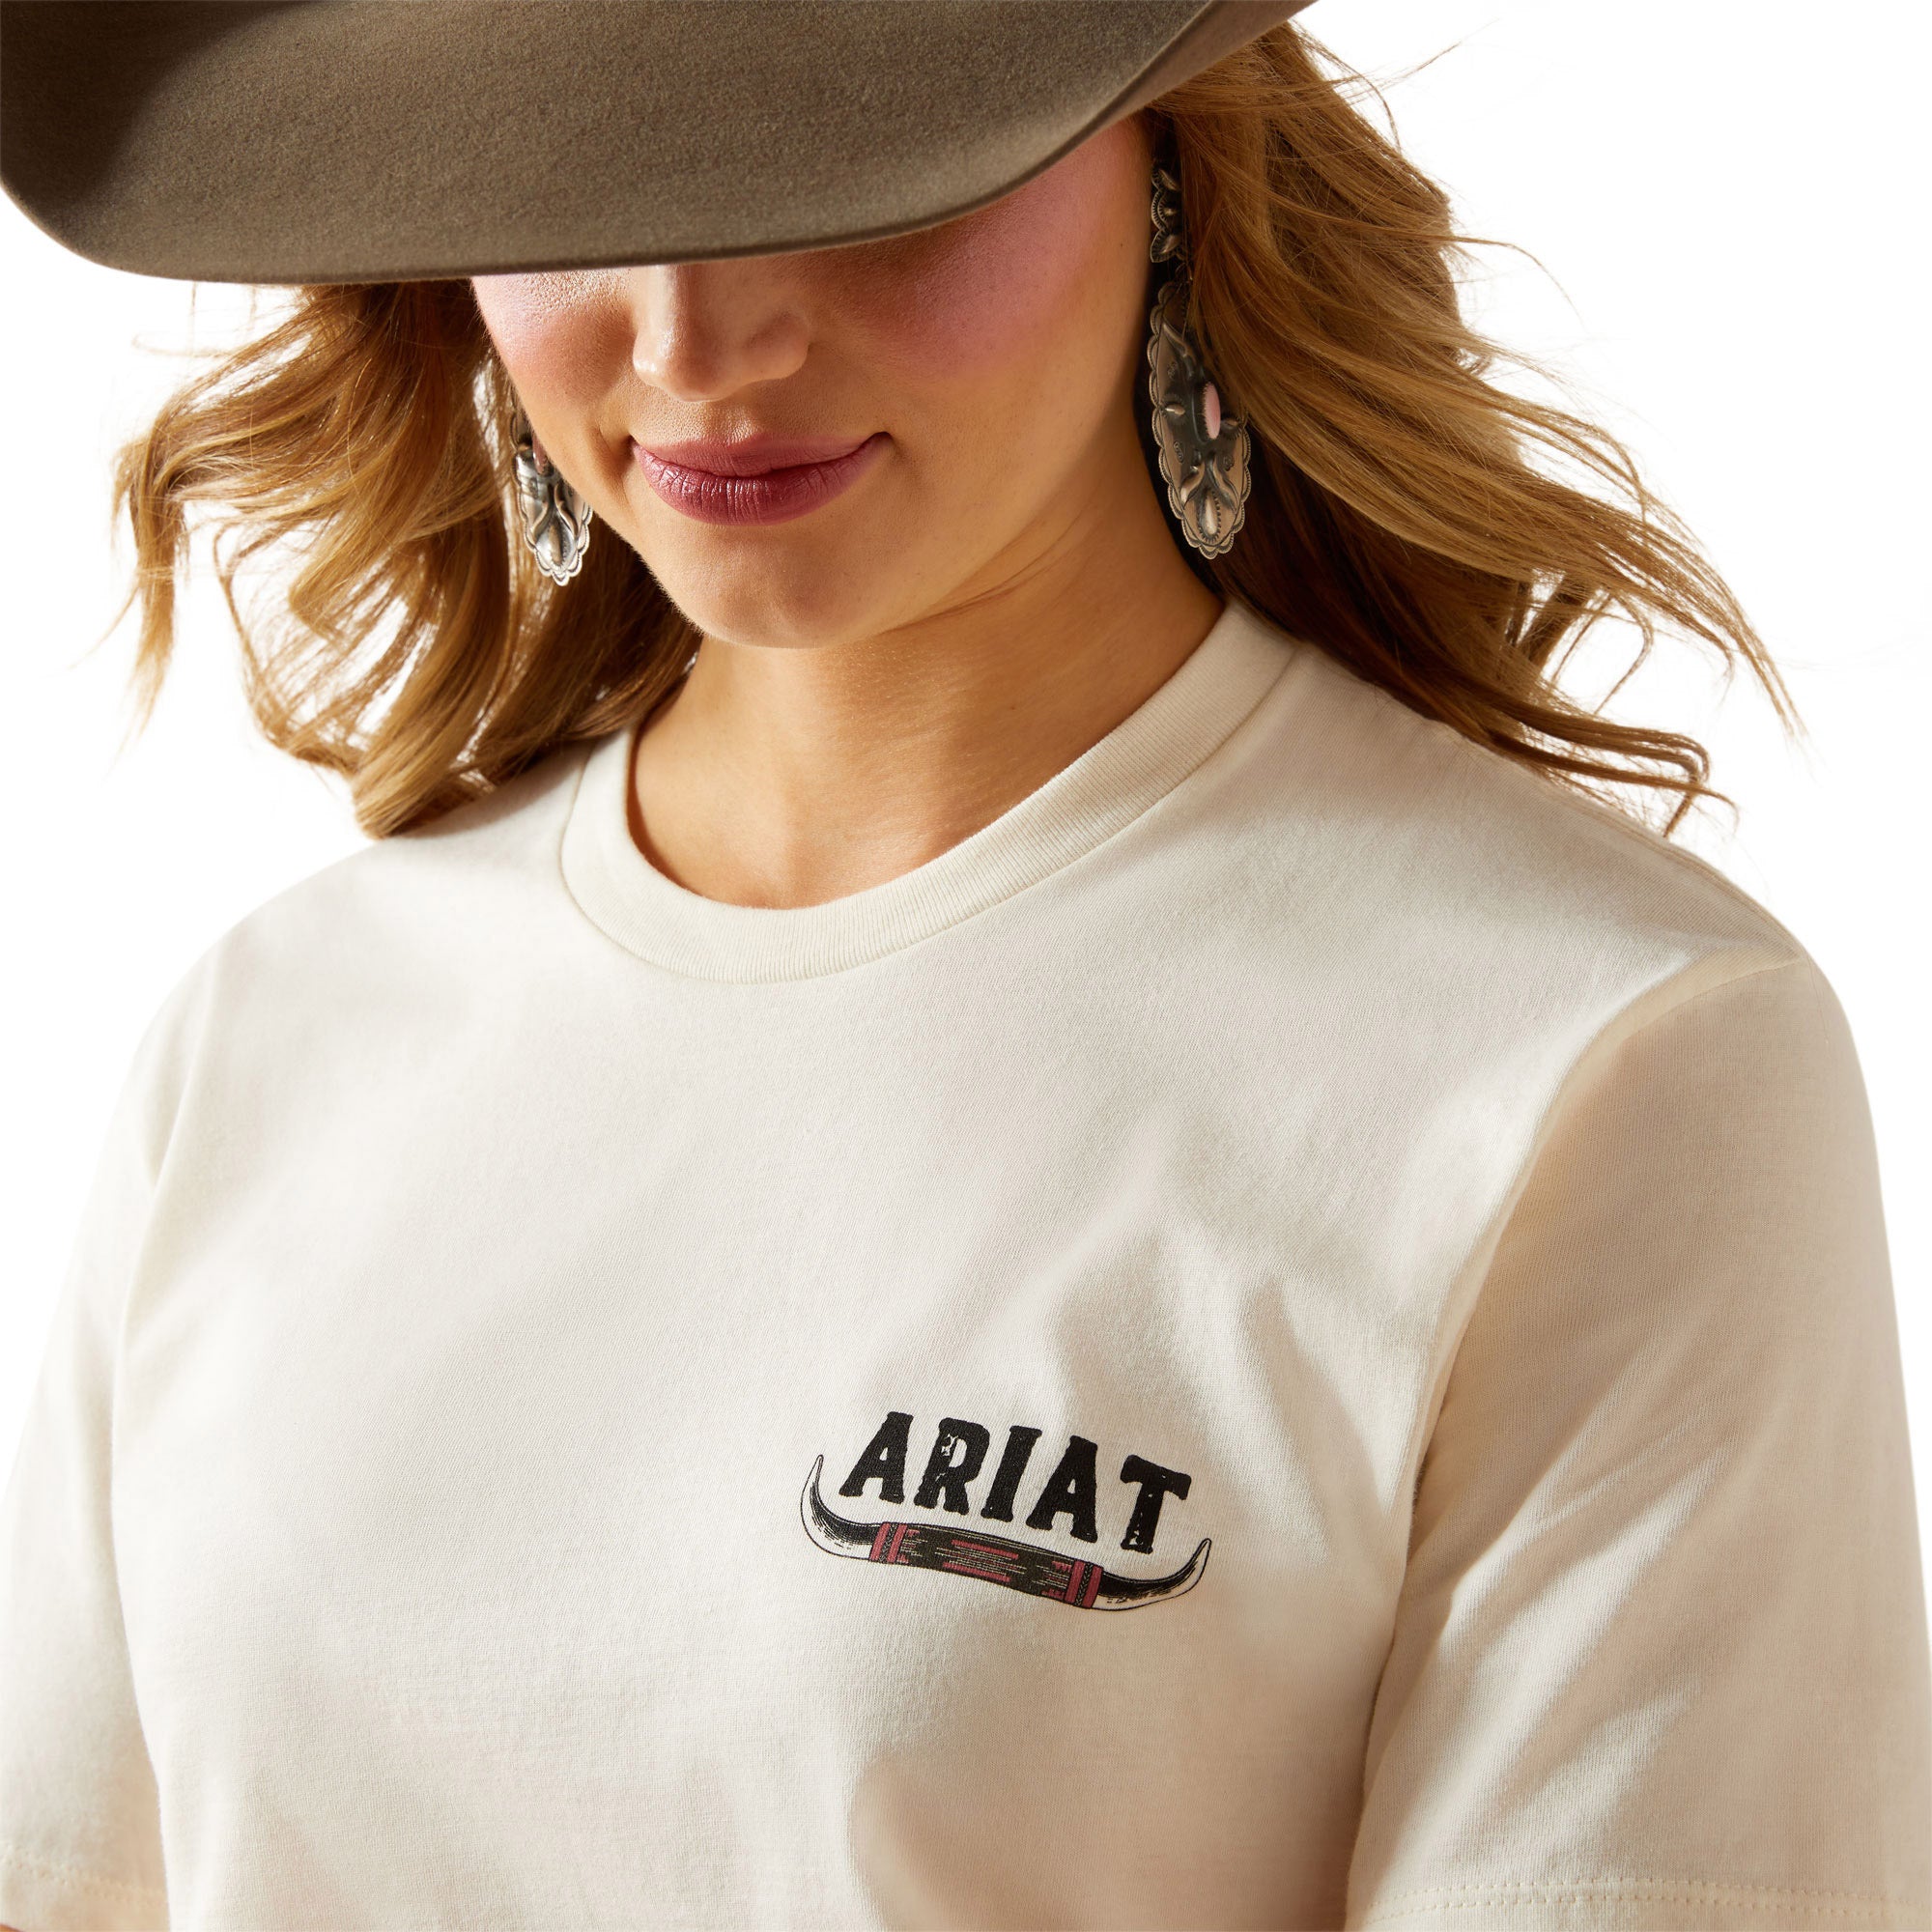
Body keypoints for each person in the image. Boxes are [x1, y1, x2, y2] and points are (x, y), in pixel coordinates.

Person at [0, 3, 1925, 1928]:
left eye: (855, 169)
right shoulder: (275, 1038)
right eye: (572, 183)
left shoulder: (1596, 1061)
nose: (696, 343)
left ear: (1168, 165)